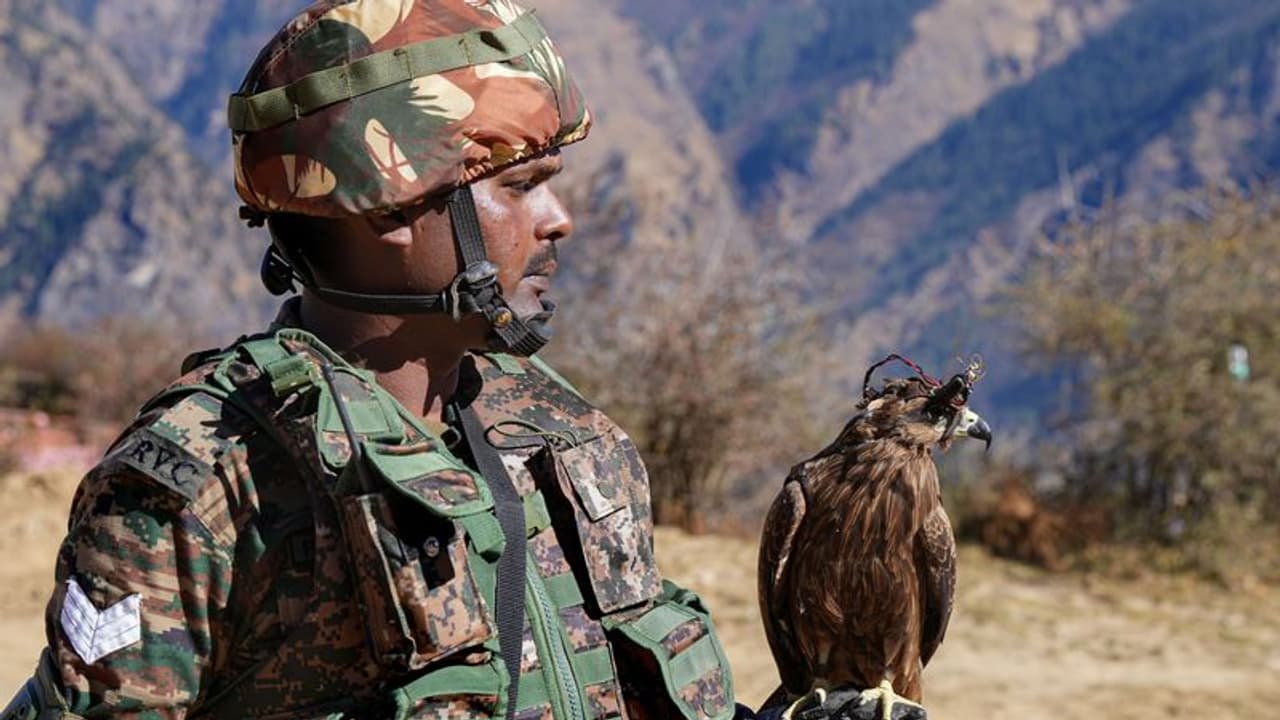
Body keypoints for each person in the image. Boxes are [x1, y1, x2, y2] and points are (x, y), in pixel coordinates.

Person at [0, 2, 922, 719]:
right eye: (520, 186)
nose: (560, 221)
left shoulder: (564, 436)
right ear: (387, 211)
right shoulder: (206, 482)